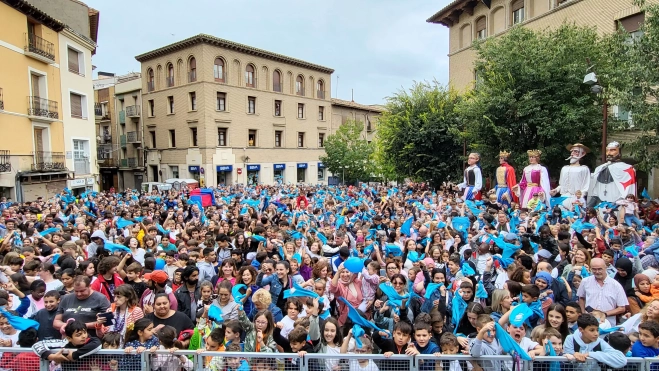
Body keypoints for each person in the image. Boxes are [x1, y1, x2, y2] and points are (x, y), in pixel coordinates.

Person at [563, 314, 627, 370]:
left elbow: (622, 360)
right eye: (592, 330)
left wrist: (591, 354)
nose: (596, 334)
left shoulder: (600, 342)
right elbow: (566, 356)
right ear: (581, 329)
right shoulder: (570, 339)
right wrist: (574, 354)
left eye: (597, 330)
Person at [577, 258, 629, 325]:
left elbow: (621, 308)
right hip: (589, 322)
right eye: (594, 269)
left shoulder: (616, 285)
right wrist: (583, 312)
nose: (597, 272)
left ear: (605, 268)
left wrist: (604, 314)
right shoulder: (585, 281)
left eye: (599, 269)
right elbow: (581, 298)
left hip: (608, 323)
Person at [588, 141, 637, 207]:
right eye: (607, 150)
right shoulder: (599, 169)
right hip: (601, 205)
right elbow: (595, 191)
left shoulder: (627, 169)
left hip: (619, 206)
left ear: (619, 152)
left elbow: (629, 191)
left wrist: (617, 205)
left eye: (612, 150)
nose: (609, 153)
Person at [550, 143, 591, 209]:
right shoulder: (564, 168)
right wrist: (556, 190)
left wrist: (580, 198)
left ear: (582, 154)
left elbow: (586, 187)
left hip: (576, 198)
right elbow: (561, 184)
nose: (572, 154)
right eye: (571, 151)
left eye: (575, 151)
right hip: (564, 197)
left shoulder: (584, 169)